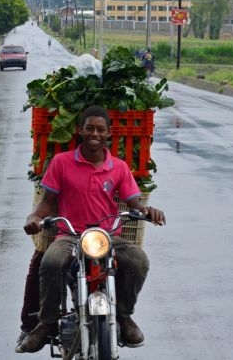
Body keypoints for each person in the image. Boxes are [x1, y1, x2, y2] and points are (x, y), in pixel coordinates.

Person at [16, 105, 166, 354]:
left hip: (107, 235)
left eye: (100, 129)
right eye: (89, 128)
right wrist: (34, 217)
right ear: (80, 131)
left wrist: (149, 212)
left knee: (139, 260)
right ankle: (46, 323)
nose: (94, 134)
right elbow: (47, 203)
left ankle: (124, 316)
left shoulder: (118, 167)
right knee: (51, 263)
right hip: (70, 235)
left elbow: (134, 204)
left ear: (109, 133)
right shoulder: (61, 163)